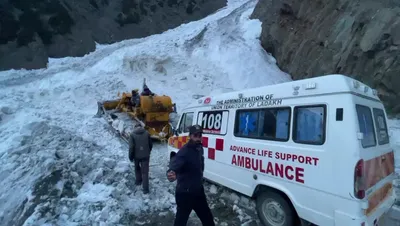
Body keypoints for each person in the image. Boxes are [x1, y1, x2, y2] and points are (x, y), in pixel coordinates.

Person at [166, 125, 215, 226]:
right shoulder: (184, 152)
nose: (198, 138)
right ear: (190, 136)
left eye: (200, 135)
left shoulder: (199, 148)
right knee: (180, 222)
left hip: (198, 191)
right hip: (185, 194)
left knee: (208, 220)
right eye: (195, 135)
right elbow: (173, 165)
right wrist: (171, 173)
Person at [129, 124, 153, 194]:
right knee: (145, 172)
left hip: (136, 156)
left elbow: (131, 147)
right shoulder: (147, 133)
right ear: (141, 127)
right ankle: (145, 189)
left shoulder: (132, 134)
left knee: (137, 168)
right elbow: (150, 144)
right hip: (145, 155)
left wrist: (130, 156)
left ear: (135, 127)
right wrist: (148, 151)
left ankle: (138, 181)